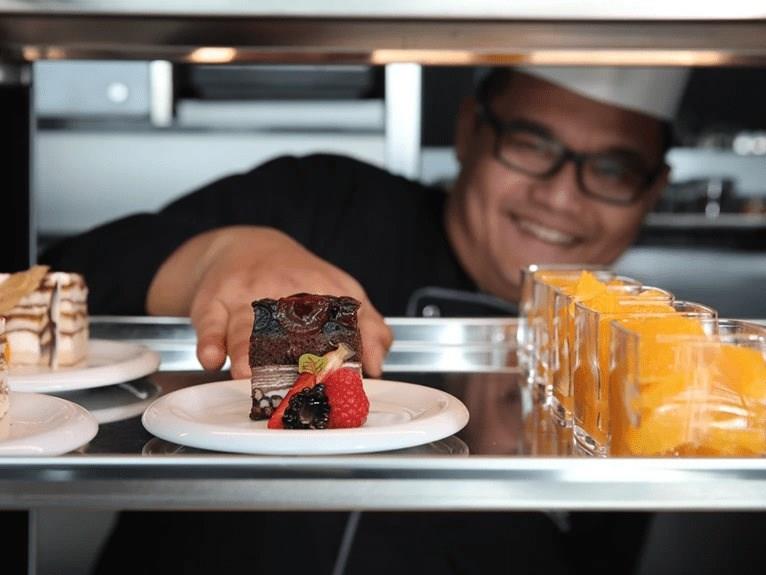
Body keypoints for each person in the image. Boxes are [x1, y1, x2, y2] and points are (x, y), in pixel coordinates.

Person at [41, 66, 688, 574]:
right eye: (531, 143)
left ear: (653, 190)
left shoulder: (636, 375)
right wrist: (217, 256)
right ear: (469, 131)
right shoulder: (324, 199)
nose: (560, 195)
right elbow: (62, 277)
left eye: (614, 169)